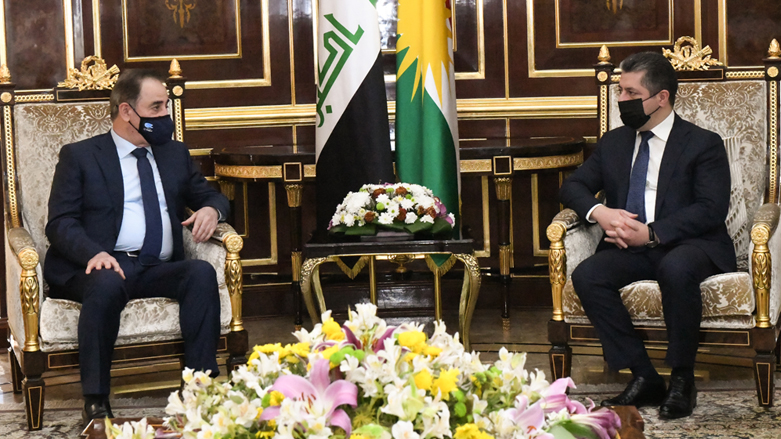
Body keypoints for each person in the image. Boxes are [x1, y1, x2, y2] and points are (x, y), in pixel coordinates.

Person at [44, 69, 230, 424]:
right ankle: (96, 399)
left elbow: (211, 196)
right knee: (106, 281)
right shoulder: (80, 156)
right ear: (127, 111)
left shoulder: (174, 154)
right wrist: (93, 253)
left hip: (155, 266)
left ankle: (199, 388)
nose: (165, 116)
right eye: (156, 107)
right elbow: (60, 223)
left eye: (166, 106)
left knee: (200, 272)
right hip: (101, 264)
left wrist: (211, 208)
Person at [560, 52, 735, 419]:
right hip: (630, 247)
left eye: (629, 92)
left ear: (661, 98)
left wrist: (652, 234)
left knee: (676, 268)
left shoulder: (703, 143)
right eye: (620, 91)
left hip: (692, 244)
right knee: (588, 275)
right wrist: (602, 213)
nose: (620, 100)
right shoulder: (615, 143)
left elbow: (710, 208)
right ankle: (643, 374)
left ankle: (683, 380)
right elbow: (573, 186)